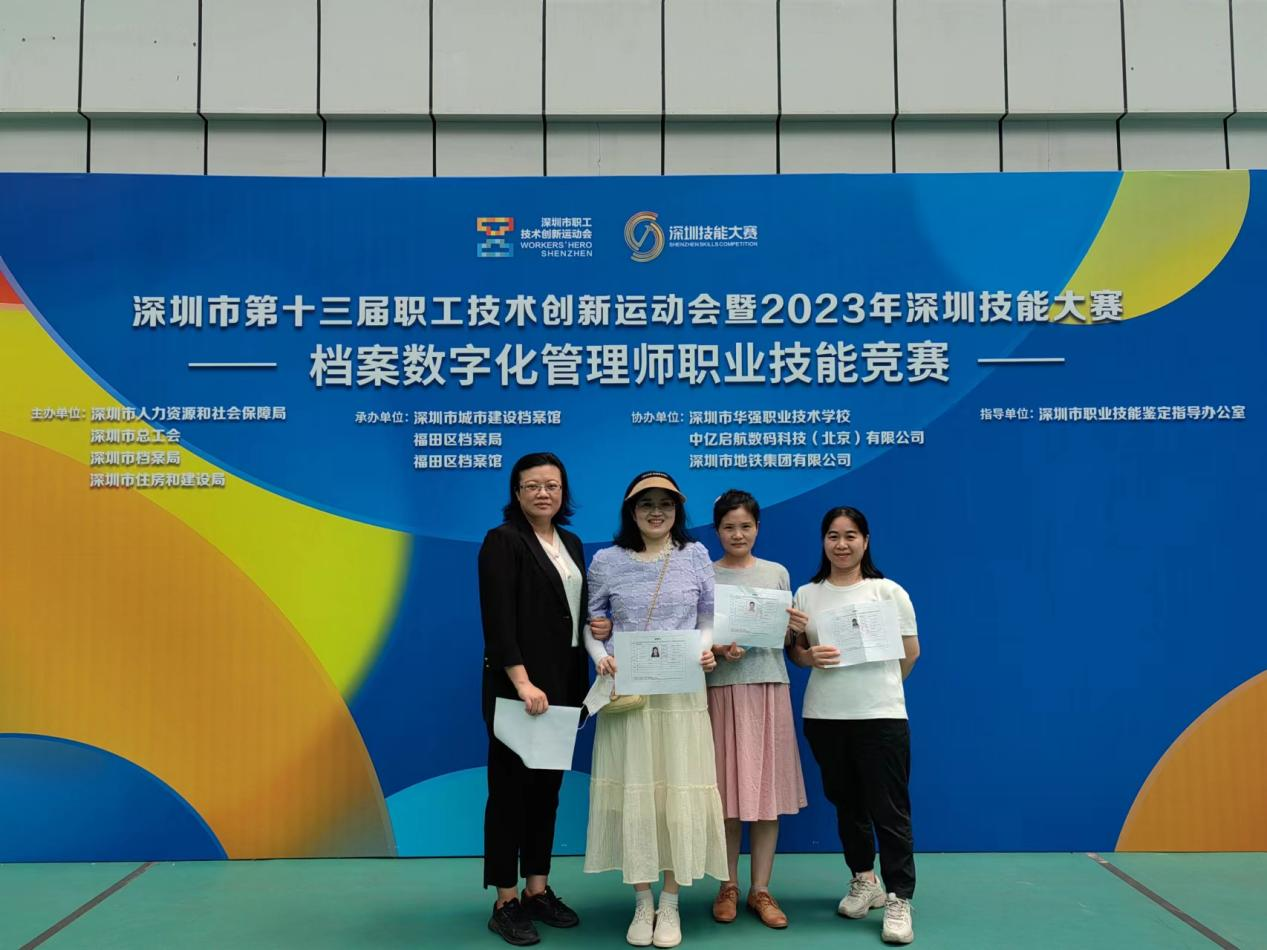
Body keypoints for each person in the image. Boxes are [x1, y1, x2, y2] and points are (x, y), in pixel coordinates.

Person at [583, 471, 727, 949]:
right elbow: (592, 623)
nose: (656, 511)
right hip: (630, 695)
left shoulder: (695, 555)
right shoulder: (606, 561)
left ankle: (670, 900)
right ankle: (642, 900)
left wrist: (704, 648)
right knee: (636, 792)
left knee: (676, 792)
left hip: (681, 695)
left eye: (665, 503)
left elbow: (708, 617)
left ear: (677, 510)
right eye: (646, 503)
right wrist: (598, 655)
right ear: (631, 510)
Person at [788, 506, 921, 946]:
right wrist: (808, 656)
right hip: (825, 717)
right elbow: (797, 653)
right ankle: (865, 879)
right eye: (833, 535)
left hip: (881, 717)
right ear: (823, 541)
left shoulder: (888, 592)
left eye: (850, 535)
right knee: (847, 805)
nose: (841, 544)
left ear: (865, 540)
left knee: (890, 809)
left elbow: (911, 652)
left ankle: (900, 897)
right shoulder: (806, 594)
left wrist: (880, 688)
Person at [478, 452, 590, 946]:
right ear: (517, 492)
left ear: (563, 492)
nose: (544, 493)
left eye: (552, 485)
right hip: (518, 689)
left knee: (547, 792)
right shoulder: (503, 541)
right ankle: (505, 900)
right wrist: (522, 682)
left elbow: (571, 613)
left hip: (563, 686)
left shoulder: (571, 543)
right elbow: (498, 620)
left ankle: (536, 891)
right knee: (509, 795)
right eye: (533, 485)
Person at [705, 489, 808, 928]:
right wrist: (717, 648)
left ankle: (760, 890)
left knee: (766, 798)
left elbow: (786, 642)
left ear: (758, 528)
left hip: (768, 688)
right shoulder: (705, 575)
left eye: (745, 526)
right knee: (726, 796)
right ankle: (727, 885)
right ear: (717, 530)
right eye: (729, 527)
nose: (738, 534)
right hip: (721, 690)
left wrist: (793, 629)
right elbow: (697, 637)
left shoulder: (777, 573)